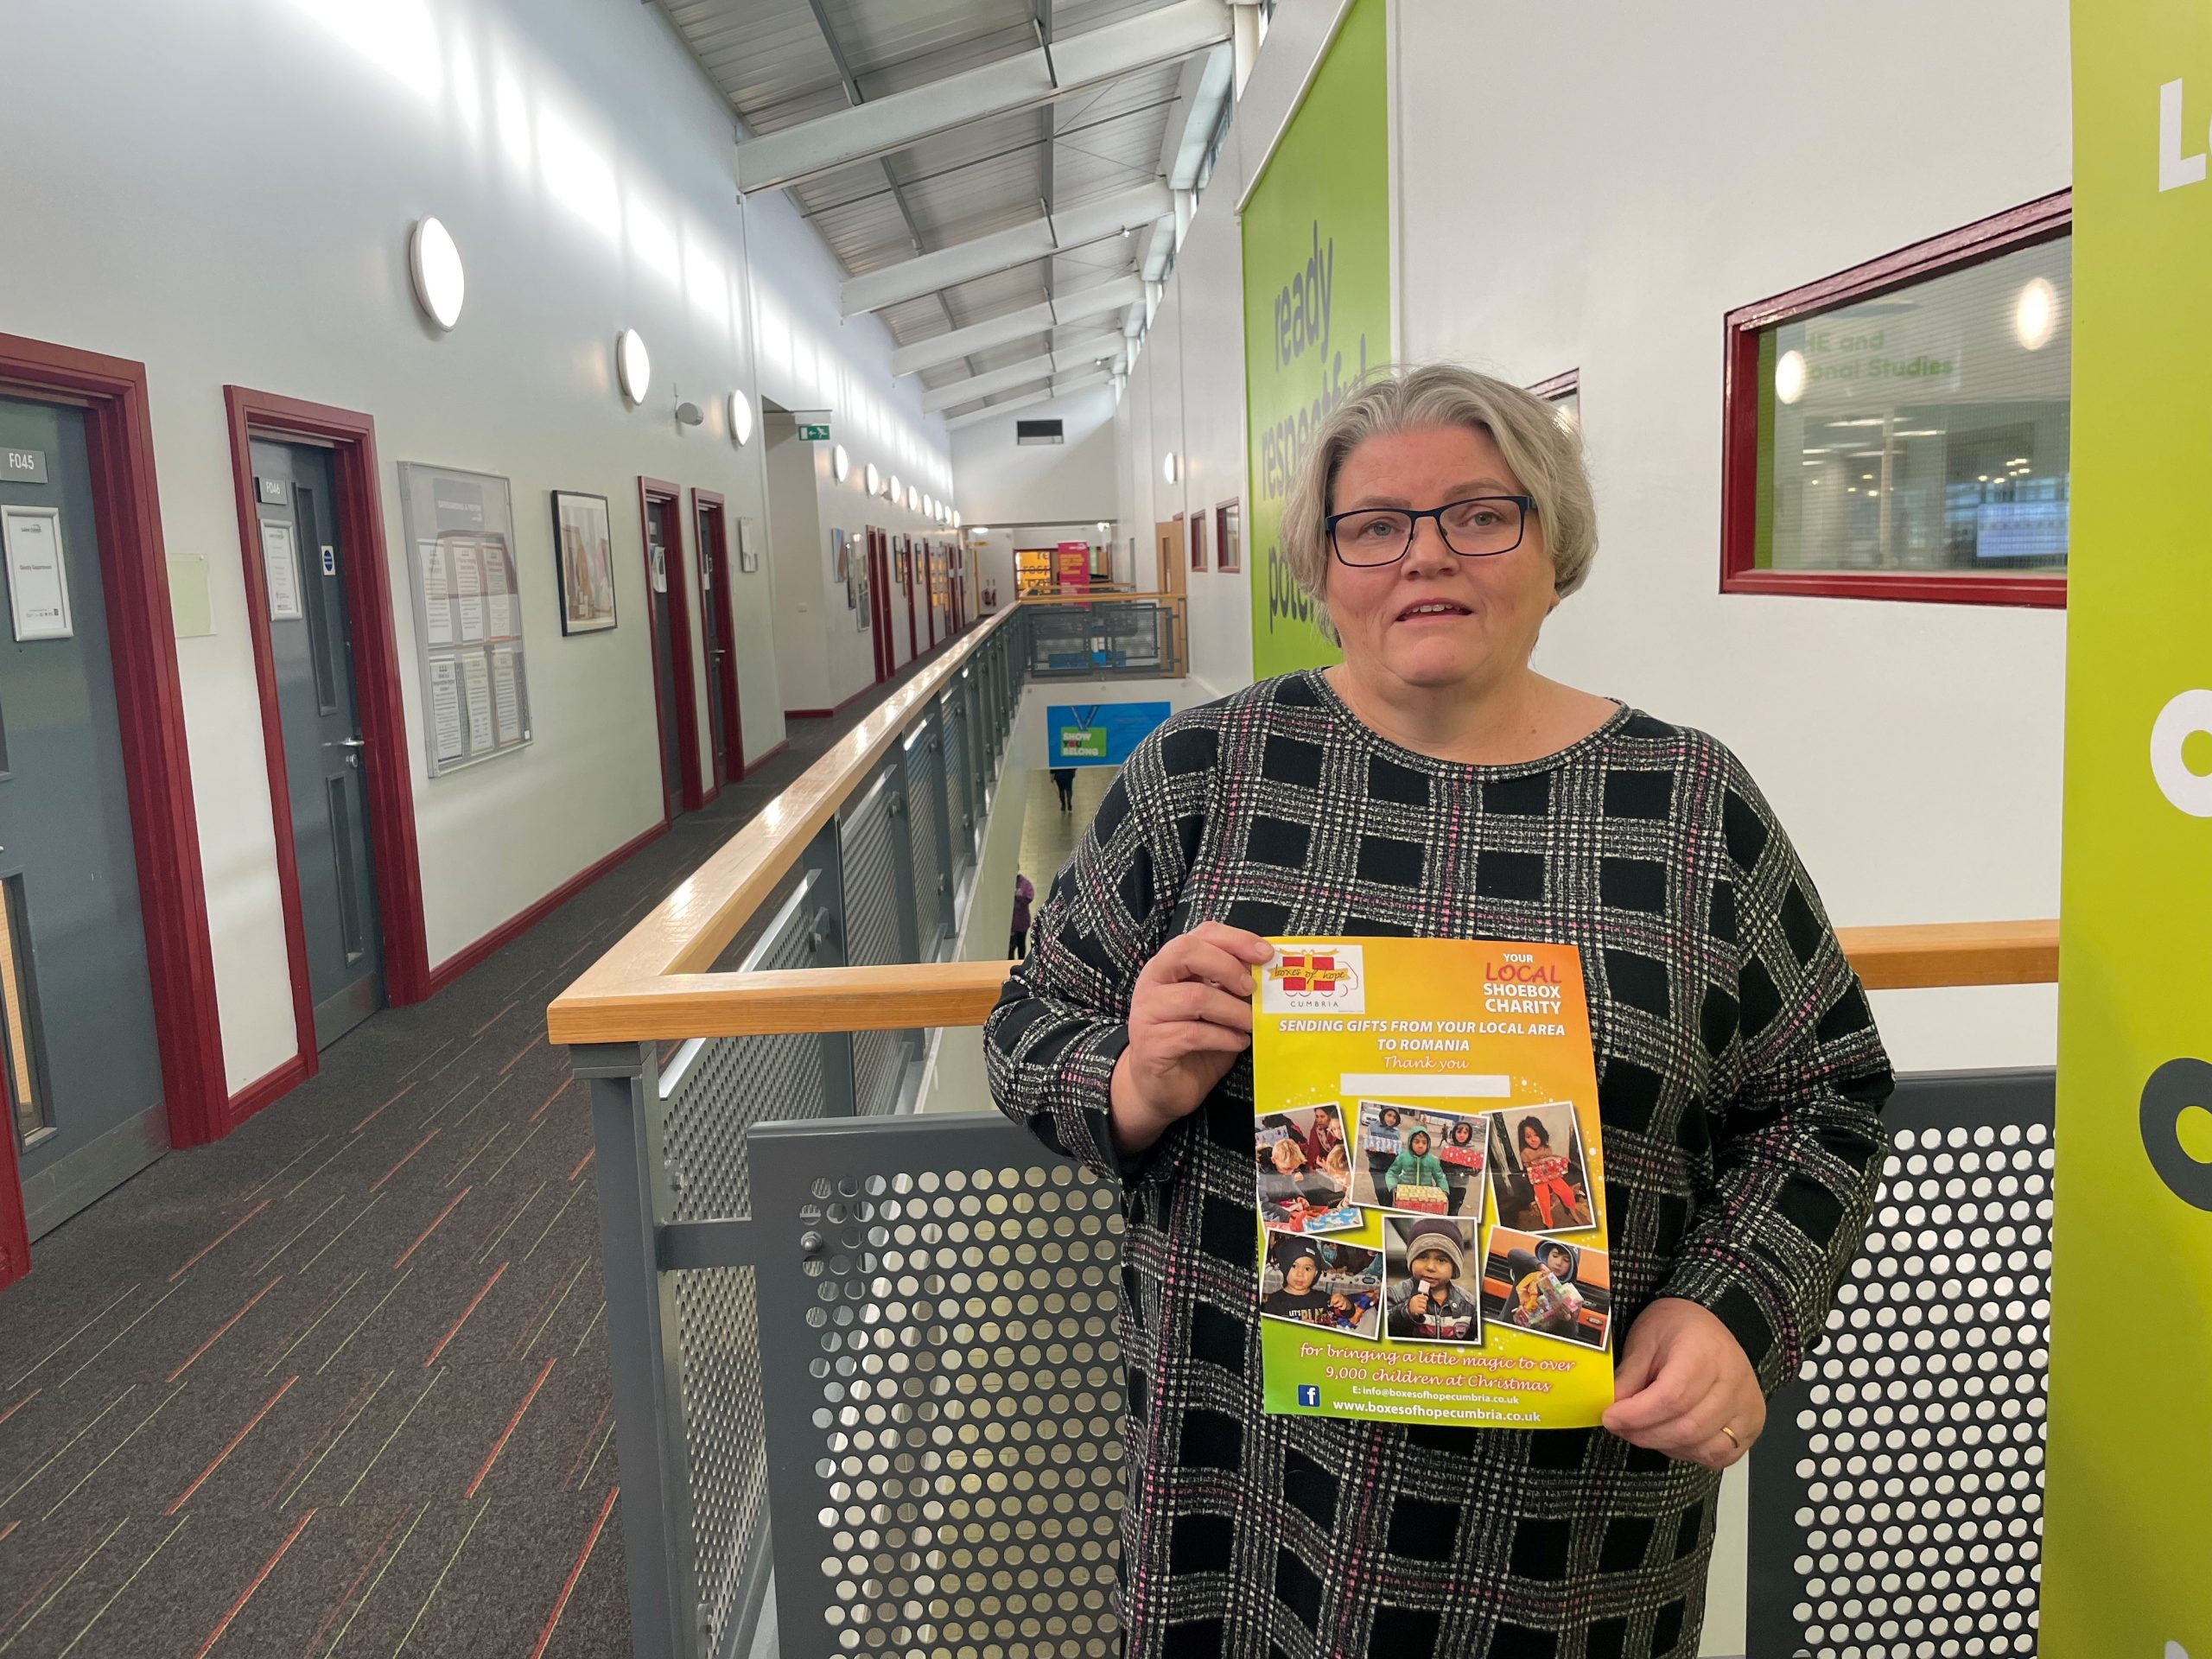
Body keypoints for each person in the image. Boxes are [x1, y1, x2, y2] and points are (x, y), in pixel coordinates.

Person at [985, 362, 1892, 1656]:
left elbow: (1826, 1093)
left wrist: (1737, 1306)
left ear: (1552, 540)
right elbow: (1030, 1024)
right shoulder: (1206, 774)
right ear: (1326, 563)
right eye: (1376, 526)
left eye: (1481, 513)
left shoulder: (1688, 804)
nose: (1428, 556)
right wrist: (1131, 1079)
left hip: (1574, 1519)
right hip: (1247, 1490)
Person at [1384, 1219, 1480, 1340]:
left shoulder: (1469, 1304)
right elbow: (1381, 1330)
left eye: (1441, 1260)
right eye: (1422, 1257)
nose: (1430, 1267)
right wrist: (1405, 1312)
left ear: (1454, 1268)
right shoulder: (1395, 1295)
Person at [1517, 1114, 1592, 1230]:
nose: (1533, 1139)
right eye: (1528, 1136)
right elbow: (1530, 1168)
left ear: (1541, 1134)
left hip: (1552, 1176)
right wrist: (1545, 1160)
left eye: (1536, 1135)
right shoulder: (1525, 1152)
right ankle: (1549, 1224)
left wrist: (1560, 1159)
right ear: (1524, 1138)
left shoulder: (1546, 1148)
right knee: (1544, 1201)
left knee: (1567, 1192)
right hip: (1539, 1180)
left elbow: (1552, 1159)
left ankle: (1574, 1214)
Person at [1382, 1127, 1449, 1212]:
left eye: (1424, 1143)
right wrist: (1394, 1187)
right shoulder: (1403, 1157)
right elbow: (1392, 1173)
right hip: (1405, 1198)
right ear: (1410, 1142)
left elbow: (1440, 1176)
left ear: (1428, 1144)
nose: (1420, 1145)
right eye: (1416, 1142)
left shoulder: (1431, 1160)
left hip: (1426, 1200)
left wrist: (1443, 1191)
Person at [1441, 1116, 1484, 1217]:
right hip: (1444, 1184)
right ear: (1454, 1133)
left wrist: (1474, 1171)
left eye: (1465, 1133)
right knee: (1438, 1209)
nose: (1462, 1135)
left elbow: (1476, 1171)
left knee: (1453, 1212)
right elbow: (1441, 1167)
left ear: (1469, 1135)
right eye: (1459, 1132)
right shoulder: (1448, 1146)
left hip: (1460, 1187)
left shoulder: (1472, 1150)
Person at [1009, 872, 1034, 959]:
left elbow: (1030, 897)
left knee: (1021, 945)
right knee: (1010, 947)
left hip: (1022, 923)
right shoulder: (1006, 884)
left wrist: (1019, 896)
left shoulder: (1025, 884)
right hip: (1011, 925)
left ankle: (1021, 961)